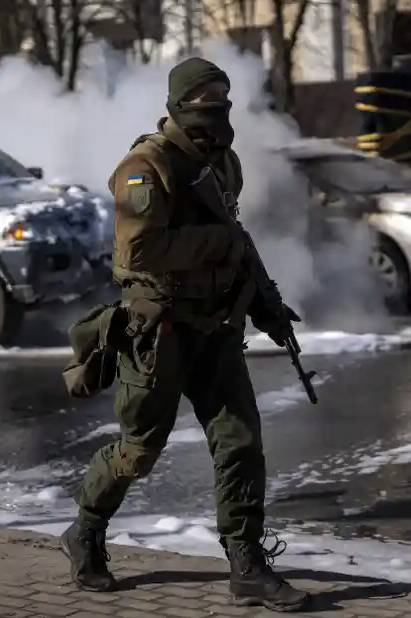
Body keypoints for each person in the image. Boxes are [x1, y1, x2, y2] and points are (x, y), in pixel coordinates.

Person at [61, 57, 310, 612]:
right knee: (139, 451)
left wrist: (265, 305)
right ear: (178, 104)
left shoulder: (223, 163)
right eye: (204, 98)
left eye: (223, 97)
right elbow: (138, 251)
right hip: (160, 331)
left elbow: (236, 242)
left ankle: (246, 564)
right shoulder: (146, 166)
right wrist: (216, 245)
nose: (217, 108)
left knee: (240, 443)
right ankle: (86, 529)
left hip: (216, 326)